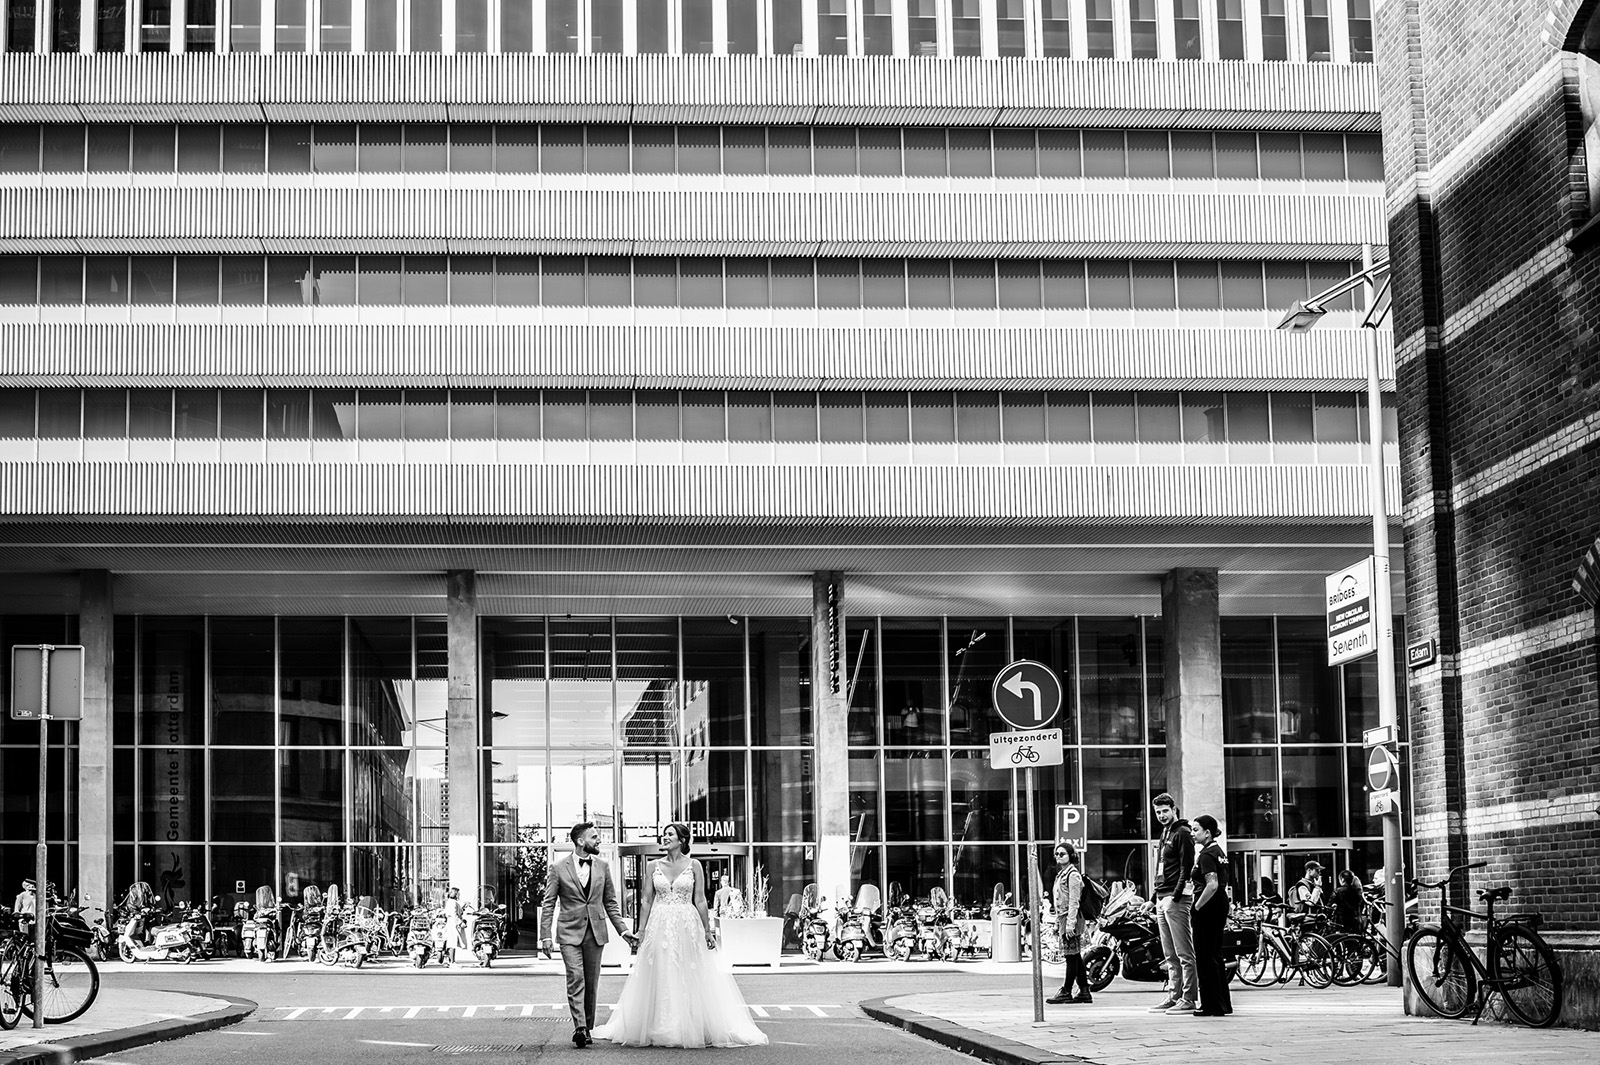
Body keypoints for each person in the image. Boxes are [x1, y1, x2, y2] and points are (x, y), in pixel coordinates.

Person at [592, 822, 768, 1048]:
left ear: (682, 840)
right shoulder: (652, 865)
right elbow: (646, 900)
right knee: (661, 971)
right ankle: (660, 1024)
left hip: (687, 924)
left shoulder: (694, 865)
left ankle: (691, 1024)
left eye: (670, 834)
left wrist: (708, 930)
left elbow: (701, 899)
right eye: (664, 834)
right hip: (660, 923)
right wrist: (641, 930)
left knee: (689, 970)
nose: (664, 837)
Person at [540, 822, 638, 1049]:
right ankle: (580, 1028)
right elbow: (548, 904)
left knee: (591, 983)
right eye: (594, 837)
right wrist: (545, 936)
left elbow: (611, 903)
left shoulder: (603, 866)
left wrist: (623, 931)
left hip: (595, 933)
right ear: (580, 841)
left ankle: (588, 1026)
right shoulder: (558, 868)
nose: (598, 840)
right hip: (568, 933)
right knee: (576, 977)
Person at [1149, 792, 1197, 1014]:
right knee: (1170, 954)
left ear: (1174, 809)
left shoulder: (1183, 833)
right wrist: (1153, 898)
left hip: (1175, 899)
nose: (1161, 815)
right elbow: (1162, 868)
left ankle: (1188, 998)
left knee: (1184, 953)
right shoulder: (1165, 833)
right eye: (1158, 812)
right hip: (1163, 897)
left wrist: (1175, 897)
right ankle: (1174, 996)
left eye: (1165, 811)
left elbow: (1186, 868)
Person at [1188, 814, 1232, 1017]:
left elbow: (1212, 884)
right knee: (1215, 954)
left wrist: (1197, 906)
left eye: (1196, 829)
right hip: (1219, 904)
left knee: (1205, 956)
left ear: (1207, 832)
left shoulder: (1206, 854)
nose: (1192, 833)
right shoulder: (1219, 852)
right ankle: (1222, 1002)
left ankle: (1210, 1004)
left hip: (1208, 907)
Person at [1045, 841, 1091, 1004]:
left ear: (1071, 856)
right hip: (1064, 918)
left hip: (1071, 918)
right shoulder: (1062, 874)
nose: (1058, 857)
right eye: (1056, 854)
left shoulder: (1073, 875)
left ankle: (1066, 990)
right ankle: (1084, 991)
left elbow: (1074, 901)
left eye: (1062, 854)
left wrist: (1070, 924)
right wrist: (1059, 922)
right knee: (1075, 955)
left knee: (1071, 956)